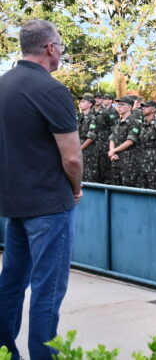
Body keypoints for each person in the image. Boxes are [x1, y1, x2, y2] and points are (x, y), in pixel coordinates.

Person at [0, 19, 83, 359]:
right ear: (50, 49)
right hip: (49, 205)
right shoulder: (52, 90)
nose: (60, 52)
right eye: (60, 47)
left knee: (11, 283)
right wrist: (75, 190)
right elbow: (73, 158)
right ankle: (43, 355)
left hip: (13, 203)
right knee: (48, 289)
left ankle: (6, 352)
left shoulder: (3, 84)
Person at [108, 96, 141, 187]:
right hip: (116, 160)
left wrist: (114, 151)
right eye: (118, 104)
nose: (119, 106)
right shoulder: (118, 121)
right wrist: (112, 152)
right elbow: (112, 138)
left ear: (129, 107)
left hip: (128, 162)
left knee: (128, 189)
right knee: (115, 189)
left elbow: (130, 141)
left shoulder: (134, 122)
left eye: (122, 105)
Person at [138, 101, 156, 190]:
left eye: (146, 106)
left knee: (155, 187)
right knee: (143, 188)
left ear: (154, 109)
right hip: (142, 161)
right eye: (142, 107)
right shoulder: (143, 125)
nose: (143, 108)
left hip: (154, 161)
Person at [78, 94, 100, 182]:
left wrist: (79, 149)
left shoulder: (93, 118)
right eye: (81, 101)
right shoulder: (80, 117)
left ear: (90, 104)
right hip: (78, 151)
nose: (80, 103)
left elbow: (91, 137)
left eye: (83, 102)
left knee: (89, 176)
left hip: (88, 151)